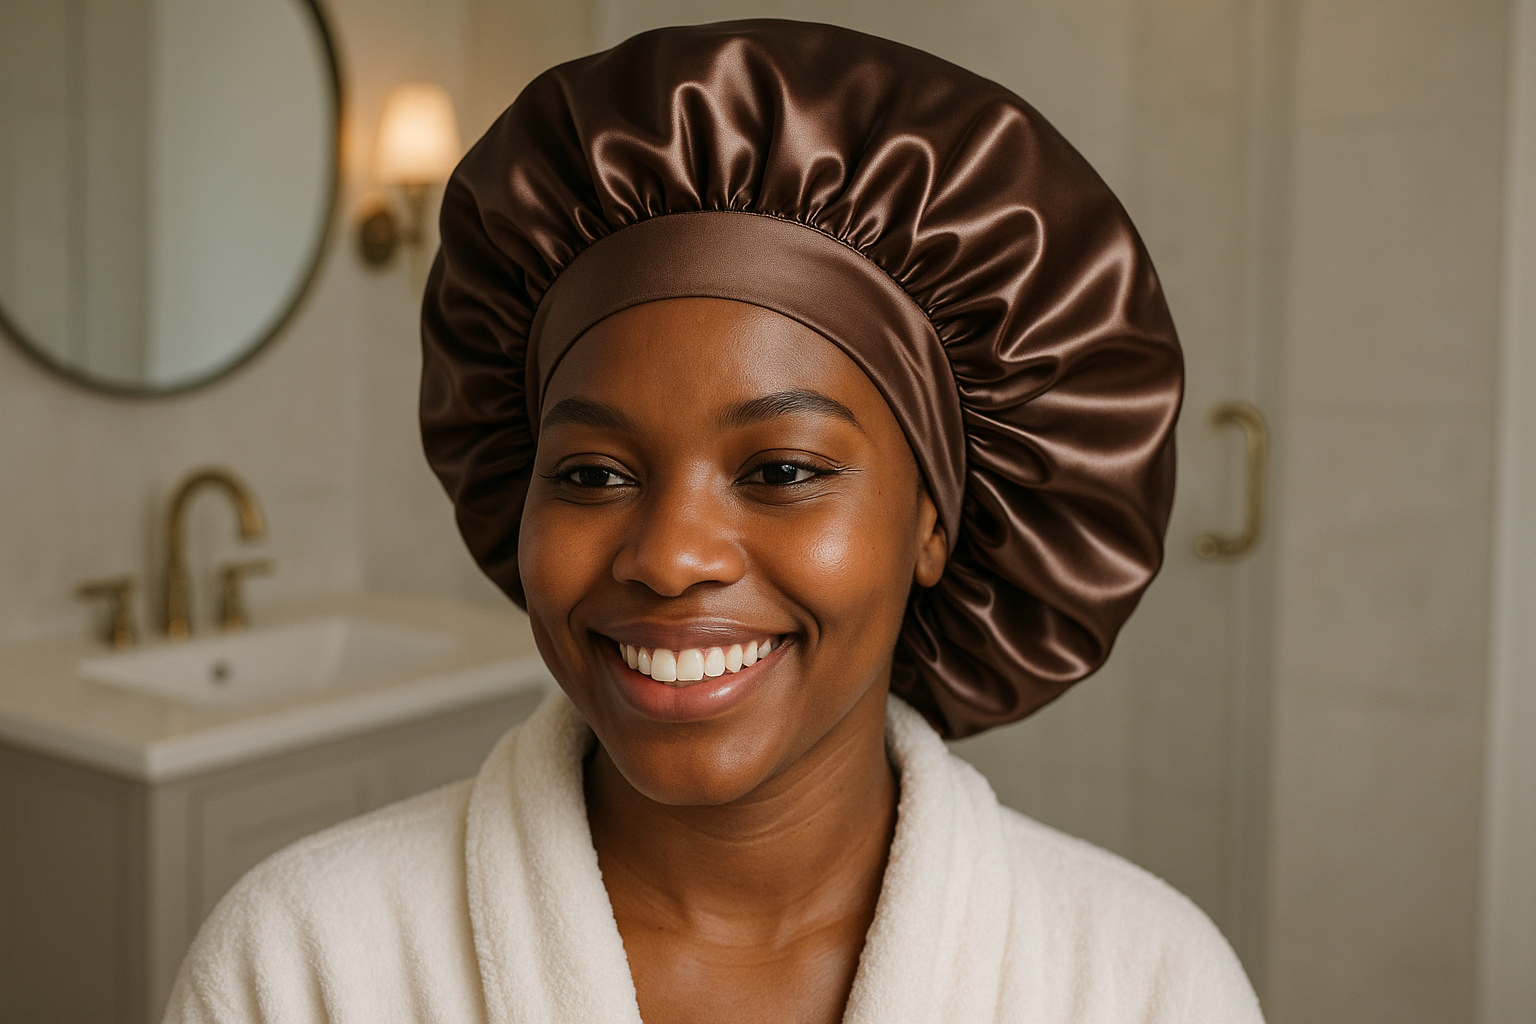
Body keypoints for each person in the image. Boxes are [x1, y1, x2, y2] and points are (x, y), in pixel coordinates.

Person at [164, 19, 1264, 1024]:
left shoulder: (1140, 980)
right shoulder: (306, 962)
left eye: (781, 468)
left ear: (934, 522)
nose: (671, 555)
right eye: (592, 474)